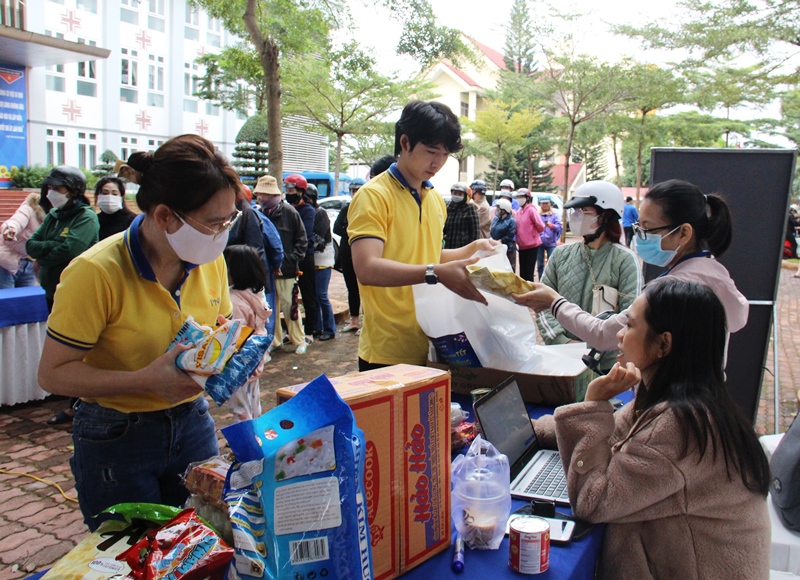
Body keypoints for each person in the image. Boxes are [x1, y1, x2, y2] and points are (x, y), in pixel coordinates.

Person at [36, 134, 239, 530]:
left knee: (201, 543)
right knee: (133, 556)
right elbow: (53, 373)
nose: (223, 233)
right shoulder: (95, 273)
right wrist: (144, 380)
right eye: (214, 223)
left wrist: (234, 353)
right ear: (165, 215)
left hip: (192, 423)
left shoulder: (208, 259)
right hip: (117, 436)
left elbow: (218, 328)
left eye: (230, 220)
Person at [533, 278, 770, 579]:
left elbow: (592, 501)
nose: (619, 335)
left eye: (629, 326)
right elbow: (616, 433)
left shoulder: (681, 425)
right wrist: (524, 431)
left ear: (664, 344)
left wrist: (593, 403)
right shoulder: (682, 399)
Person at [514, 179, 748, 360]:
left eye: (648, 229)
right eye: (638, 227)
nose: (640, 236)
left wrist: (554, 302)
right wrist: (561, 342)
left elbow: (606, 334)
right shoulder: (713, 274)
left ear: (684, 233)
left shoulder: (667, 287)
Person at [347, 100, 498, 371]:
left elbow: (427, 255)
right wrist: (436, 272)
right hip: (387, 350)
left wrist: (473, 249)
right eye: (431, 152)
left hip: (435, 342)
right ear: (404, 143)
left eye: (445, 154)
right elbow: (367, 268)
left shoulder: (434, 199)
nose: (437, 162)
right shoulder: (374, 196)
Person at [532, 181, 641, 371]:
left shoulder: (625, 260)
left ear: (606, 216)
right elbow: (541, 302)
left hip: (606, 367)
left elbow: (630, 317)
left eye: (583, 211)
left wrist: (596, 350)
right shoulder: (560, 255)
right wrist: (562, 341)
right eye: (574, 211)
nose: (575, 216)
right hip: (561, 358)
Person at [26, 165, 100, 311]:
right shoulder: (54, 216)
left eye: (57, 189)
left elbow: (70, 250)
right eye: (50, 188)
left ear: (73, 192)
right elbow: (30, 245)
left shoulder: (85, 217)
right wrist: (53, 244)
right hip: (52, 291)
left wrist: (42, 259)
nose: (51, 193)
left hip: (75, 292)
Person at [254, 175, 308, 354]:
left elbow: (302, 240)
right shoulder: (259, 213)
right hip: (266, 270)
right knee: (270, 308)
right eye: (258, 193)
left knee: (290, 306)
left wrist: (290, 259)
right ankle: (275, 340)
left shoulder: (289, 212)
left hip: (286, 270)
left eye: (263, 194)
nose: (260, 197)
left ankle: (299, 340)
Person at [224, 244, 271, 421]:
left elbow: (233, 336)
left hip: (238, 361)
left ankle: (246, 442)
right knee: (253, 400)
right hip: (255, 356)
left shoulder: (234, 301)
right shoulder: (255, 293)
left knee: (240, 407)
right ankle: (255, 435)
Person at [284, 174, 318, 341]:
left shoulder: (308, 211)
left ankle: (310, 331)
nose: (288, 193)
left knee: (308, 293)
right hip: (289, 258)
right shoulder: (287, 209)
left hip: (304, 258)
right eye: (287, 189)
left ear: (300, 191)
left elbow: (304, 234)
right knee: (290, 296)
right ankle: (293, 332)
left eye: (291, 190)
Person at [333, 177, 365, 333]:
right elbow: (337, 228)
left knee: (366, 288)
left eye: (357, 190)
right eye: (353, 190)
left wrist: (351, 231)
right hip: (347, 252)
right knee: (351, 287)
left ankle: (367, 322)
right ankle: (354, 320)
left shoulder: (368, 207)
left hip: (364, 253)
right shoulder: (347, 208)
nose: (355, 193)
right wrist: (353, 231)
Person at [308, 184, 336, 341]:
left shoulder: (320, 214)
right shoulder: (307, 213)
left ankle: (330, 328)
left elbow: (318, 238)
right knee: (314, 296)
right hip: (312, 261)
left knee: (322, 295)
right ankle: (318, 327)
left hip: (322, 260)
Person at [0, 191, 46, 288]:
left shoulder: (56, 216)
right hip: (6, 262)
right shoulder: (29, 209)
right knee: (6, 300)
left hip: (30, 265)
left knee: (26, 301)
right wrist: (10, 229)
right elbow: (15, 221)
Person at [514, 187, 545, 282]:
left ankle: (531, 294)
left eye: (521, 197)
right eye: (518, 197)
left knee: (529, 272)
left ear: (527, 198)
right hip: (522, 246)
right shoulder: (518, 212)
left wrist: (532, 234)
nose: (519, 199)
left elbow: (540, 226)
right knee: (522, 272)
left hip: (532, 246)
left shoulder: (531, 210)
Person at [443, 182, 480, 249]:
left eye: (460, 194)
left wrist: (472, 249)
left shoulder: (470, 208)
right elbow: (444, 228)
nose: (457, 195)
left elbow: (475, 232)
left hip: (463, 248)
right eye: (455, 193)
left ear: (465, 195)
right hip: (449, 247)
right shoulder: (449, 207)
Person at [537, 195, 561, 280]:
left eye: (546, 203)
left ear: (550, 204)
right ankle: (541, 279)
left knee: (552, 263)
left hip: (551, 243)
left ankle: (551, 280)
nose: (545, 205)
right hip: (539, 242)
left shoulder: (555, 214)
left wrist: (551, 226)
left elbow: (559, 227)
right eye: (543, 204)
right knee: (540, 264)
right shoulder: (537, 214)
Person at [490, 198, 518, 272]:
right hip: (495, 247)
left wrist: (501, 241)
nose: (497, 210)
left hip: (507, 249)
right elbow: (491, 231)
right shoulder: (496, 219)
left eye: (499, 208)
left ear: (504, 209)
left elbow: (510, 235)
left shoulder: (511, 221)